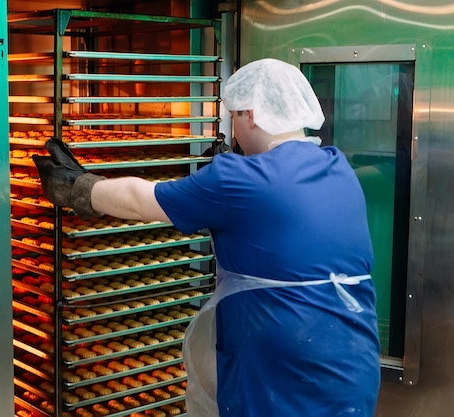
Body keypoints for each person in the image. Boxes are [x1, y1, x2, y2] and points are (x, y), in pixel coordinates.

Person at [33, 58, 381, 417]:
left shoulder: (238, 178)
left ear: (252, 115)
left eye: (234, 118)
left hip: (279, 372)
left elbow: (141, 201)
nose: (234, 132)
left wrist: (81, 189)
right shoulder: (337, 166)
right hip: (350, 360)